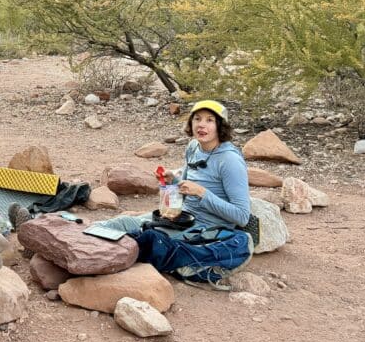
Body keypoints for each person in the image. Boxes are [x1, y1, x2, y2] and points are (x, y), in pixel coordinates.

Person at [98, 99, 253, 286]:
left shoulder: (229, 160)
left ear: (220, 126)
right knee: (120, 222)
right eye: (197, 119)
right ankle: (81, 242)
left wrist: (202, 193)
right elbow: (186, 182)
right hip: (181, 218)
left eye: (210, 120)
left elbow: (242, 216)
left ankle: (100, 262)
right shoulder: (194, 147)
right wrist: (173, 179)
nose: (201, 125)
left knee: (144, 237)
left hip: (205, 228)